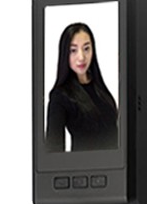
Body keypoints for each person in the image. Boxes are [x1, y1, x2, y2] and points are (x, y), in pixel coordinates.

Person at [45, 23, 118, 152]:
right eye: (73, 50)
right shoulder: (60, 96)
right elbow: (53, 151)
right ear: (65, 54)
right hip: (86, 164)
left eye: (86, 48)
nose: (81, 57)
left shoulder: (98, 85)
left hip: (115, 162)